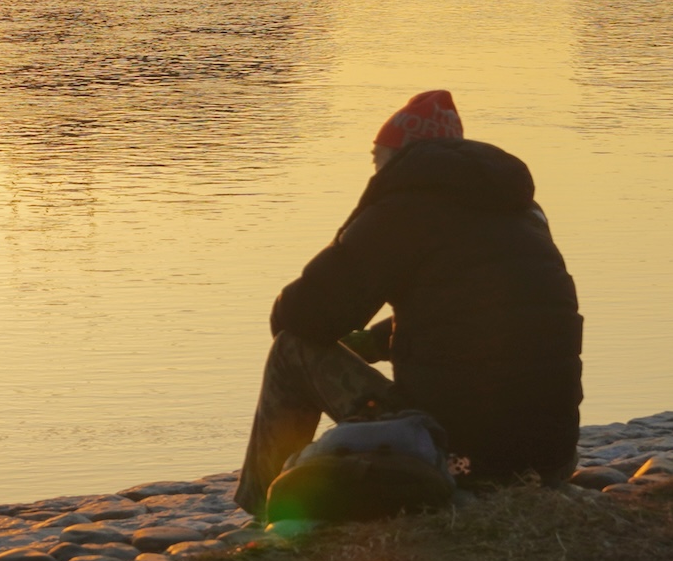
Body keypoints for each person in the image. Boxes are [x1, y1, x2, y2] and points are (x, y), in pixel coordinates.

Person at [234, 90, 585, 517]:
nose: (376, 168)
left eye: (377, 157)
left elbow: (302, 317)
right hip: (550, 458)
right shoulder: (521, 210)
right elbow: (477, 319)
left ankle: (264, 508)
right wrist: (371, 342)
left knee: (291, 349)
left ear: (400, 157)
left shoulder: (403, 208)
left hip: (453, 453)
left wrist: (355, 237)